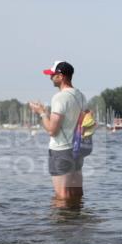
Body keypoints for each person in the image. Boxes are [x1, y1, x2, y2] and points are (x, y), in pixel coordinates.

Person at [28, 60, 88, 204]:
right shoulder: (80, 95)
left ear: (61, 76)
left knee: (62, 195)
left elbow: (52, 130)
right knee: (76, 193)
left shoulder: (60, 97)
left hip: (61, 150)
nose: (50, 78)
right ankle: (77, 224)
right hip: (77, 149)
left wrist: (42, 113)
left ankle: (61, 226)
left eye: (53, 75)